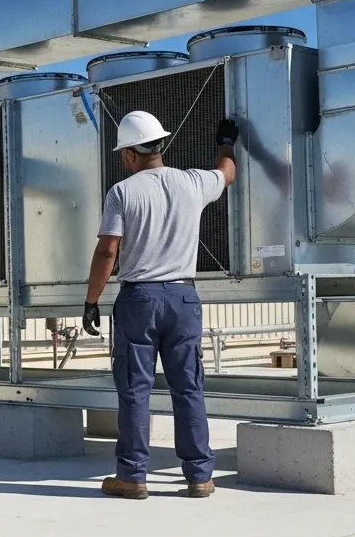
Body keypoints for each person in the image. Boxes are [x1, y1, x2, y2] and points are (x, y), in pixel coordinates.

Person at [82, 111, 239, 499]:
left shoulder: (123, 192)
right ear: (161, 145)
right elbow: (227, 173)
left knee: (136, 389)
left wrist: (91, 301)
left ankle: (133, 477)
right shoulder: (192, 182)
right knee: (189, 387)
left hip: (140, 299)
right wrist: (226, 143)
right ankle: (200, 476)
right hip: (184, 298)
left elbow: (107, 251)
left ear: (131, 153)